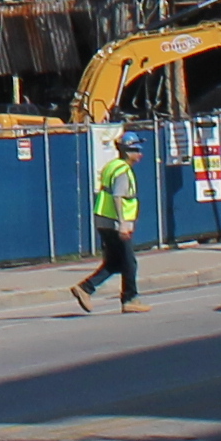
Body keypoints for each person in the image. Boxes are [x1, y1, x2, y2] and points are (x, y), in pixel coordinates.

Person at [71, 134, 146, 313]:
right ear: (127, 152)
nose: (140, 154)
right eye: (136, 150)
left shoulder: (112, 166)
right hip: (115, 222)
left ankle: (85, 288)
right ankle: (130, 299)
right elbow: (118, 197)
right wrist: (123, 223)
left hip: (103, 218)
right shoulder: (123, 171)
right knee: (129, 262)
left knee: (115, 262)